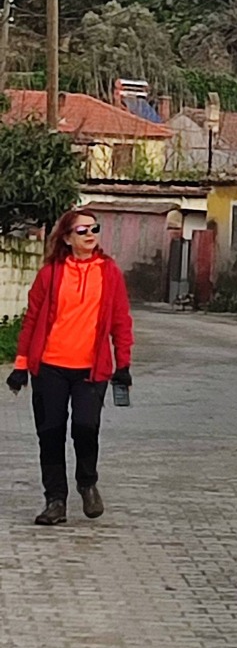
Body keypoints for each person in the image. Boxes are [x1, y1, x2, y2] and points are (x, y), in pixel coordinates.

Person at [6, 205, 133, 525]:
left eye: (95, 229)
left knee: (85, 428)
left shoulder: (109, 272)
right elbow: (31, 320)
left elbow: (121, 320)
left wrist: (124, 364)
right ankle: (55, 501)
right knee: (50, 433)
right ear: (65, 238)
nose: (90, 235)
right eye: (82, 230)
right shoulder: (50, 274)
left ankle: (87, 483)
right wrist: (21, 365)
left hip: (91, 369)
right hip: (49, 367)